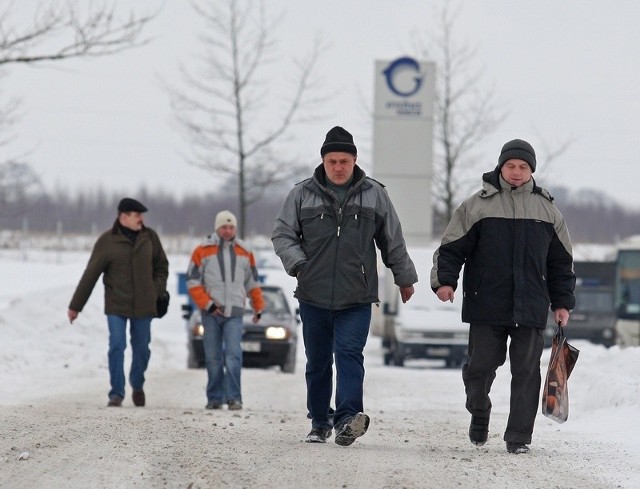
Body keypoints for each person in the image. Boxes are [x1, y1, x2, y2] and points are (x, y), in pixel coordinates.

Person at [272, 126, 418, 446]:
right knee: (319, 361)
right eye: (332, 161)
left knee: (350, 354)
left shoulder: (375, 194)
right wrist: (299, 265)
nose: (338, 167)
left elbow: (392, 239)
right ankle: (320, 420)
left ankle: (348, 419)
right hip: (313, 293)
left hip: (357, 294)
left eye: (344, 161)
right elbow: (283, 235)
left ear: (355, 160)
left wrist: (404, 277)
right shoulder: (301, 194)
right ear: (323, 161)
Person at [430, 139, 576, 454]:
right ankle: (479, 410)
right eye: (510, 165)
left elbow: (561, 263)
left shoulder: (547, 210)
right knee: (480, 367)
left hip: (531, 305)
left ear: (531, 171)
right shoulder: (477, 206)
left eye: (523, 167)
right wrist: (445, 281)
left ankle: (519, 438)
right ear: (501, 167)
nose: (516, 172)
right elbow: (451, 249)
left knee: (526, 372)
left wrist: (562, 302)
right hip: (486, 302)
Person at [68, 197, 169, 407]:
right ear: (124, 217)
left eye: (141, 215)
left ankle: (137, 383)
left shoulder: (150, 237)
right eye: (137, 215)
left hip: (144, 305)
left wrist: (155, 290)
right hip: (116, 304)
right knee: (117, 345)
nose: (141, 219)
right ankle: (116, 393)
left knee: (142, 349)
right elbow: (91, 274)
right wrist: (76, 306)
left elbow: (161, 266)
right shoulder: (107, 241)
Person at [186, 210, 264, 411]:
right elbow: (193, 281)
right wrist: (208, 304)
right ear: (217, 228)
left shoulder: (245, 252)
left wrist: (258, 307)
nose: (228, 231)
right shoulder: (202, 251)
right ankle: (214, 397)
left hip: (235, 313)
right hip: (211, 312)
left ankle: (234, 397)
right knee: (212, 357)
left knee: (233, 355)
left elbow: (253, 282)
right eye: (224, 227)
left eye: (231, 227)